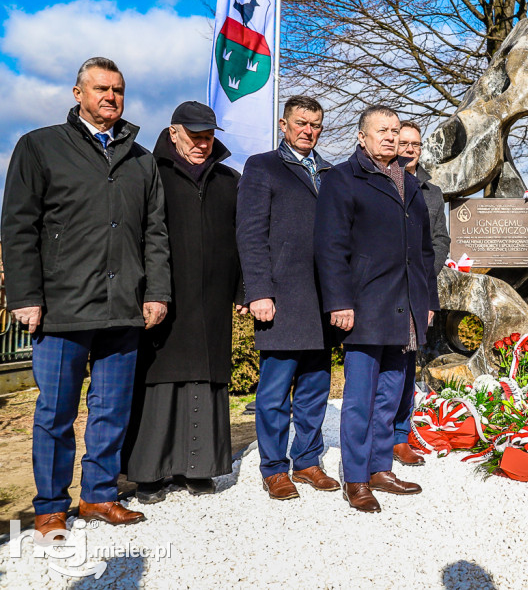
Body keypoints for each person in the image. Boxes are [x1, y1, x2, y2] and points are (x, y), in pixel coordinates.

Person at [1, 57, 171, 538]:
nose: (110, 97)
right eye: (100, 89)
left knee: (111, 408)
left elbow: (154, 232)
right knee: (55, 412)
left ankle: (99, 495)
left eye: (118, 90)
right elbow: (17, 226)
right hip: (61, 306)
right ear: (78, 93)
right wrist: (26, 295)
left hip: (124, 306)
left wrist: (156, 291)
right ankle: (51, 505)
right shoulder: (40, 146)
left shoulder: (141, 159)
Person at [315, 105, 439, 513]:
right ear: (361, 137)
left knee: (390, 395)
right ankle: (356, 478)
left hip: (405, 306)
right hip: (364, 304)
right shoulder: (342, 179)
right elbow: (330, 246)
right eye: (381, 130)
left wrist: (429, 302)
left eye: (394, 130)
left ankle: (380, 468)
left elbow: (423, 251)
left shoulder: (410, 183)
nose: (389, 136)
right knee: (360, 398)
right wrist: (339, 301)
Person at [122, 102, 244, 504]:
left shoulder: (230, 179)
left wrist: (242, 289)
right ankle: (150, 473)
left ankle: (200, 468)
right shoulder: (146, 171)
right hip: (160, 297)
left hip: (211, 299)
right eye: (194, 136)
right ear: (173, 132)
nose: (202, 144)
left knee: (205, 379)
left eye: (208, 136)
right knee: (158, 379)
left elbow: (244, 241)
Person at [237, 95, 340, 500]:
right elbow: (249, 232)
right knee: (276, 390)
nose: (308, 130)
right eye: (300, 122)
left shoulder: (330, 172)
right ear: (284, 124)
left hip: (323, 298)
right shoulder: (262, 166)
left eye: (315, 124)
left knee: (316, 386)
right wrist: (259, 290)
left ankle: (309, 460)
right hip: (281, 296)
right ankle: (275, 467)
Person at [392, 120, 450, 467]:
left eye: (416, 144)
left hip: (417, 289)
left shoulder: (432, 192)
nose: (411, 149)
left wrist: (425, 277)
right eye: (404, 142)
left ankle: (401, 437)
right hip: (383, 291)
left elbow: (440, 240)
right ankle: (375, 435)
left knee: (406, 366)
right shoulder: (379, 181)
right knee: (380, 367)